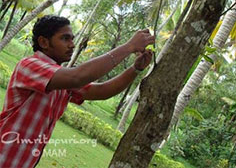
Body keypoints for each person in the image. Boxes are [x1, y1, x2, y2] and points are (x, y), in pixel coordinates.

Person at [0, 15, 154, 168]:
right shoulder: (31, 65)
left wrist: (136, 69)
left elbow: (101, 91)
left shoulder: (60, 78)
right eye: (65, 38)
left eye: (72, 39)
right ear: (44, 42)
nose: (72, 45)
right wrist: (129, 47)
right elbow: (78, 77)